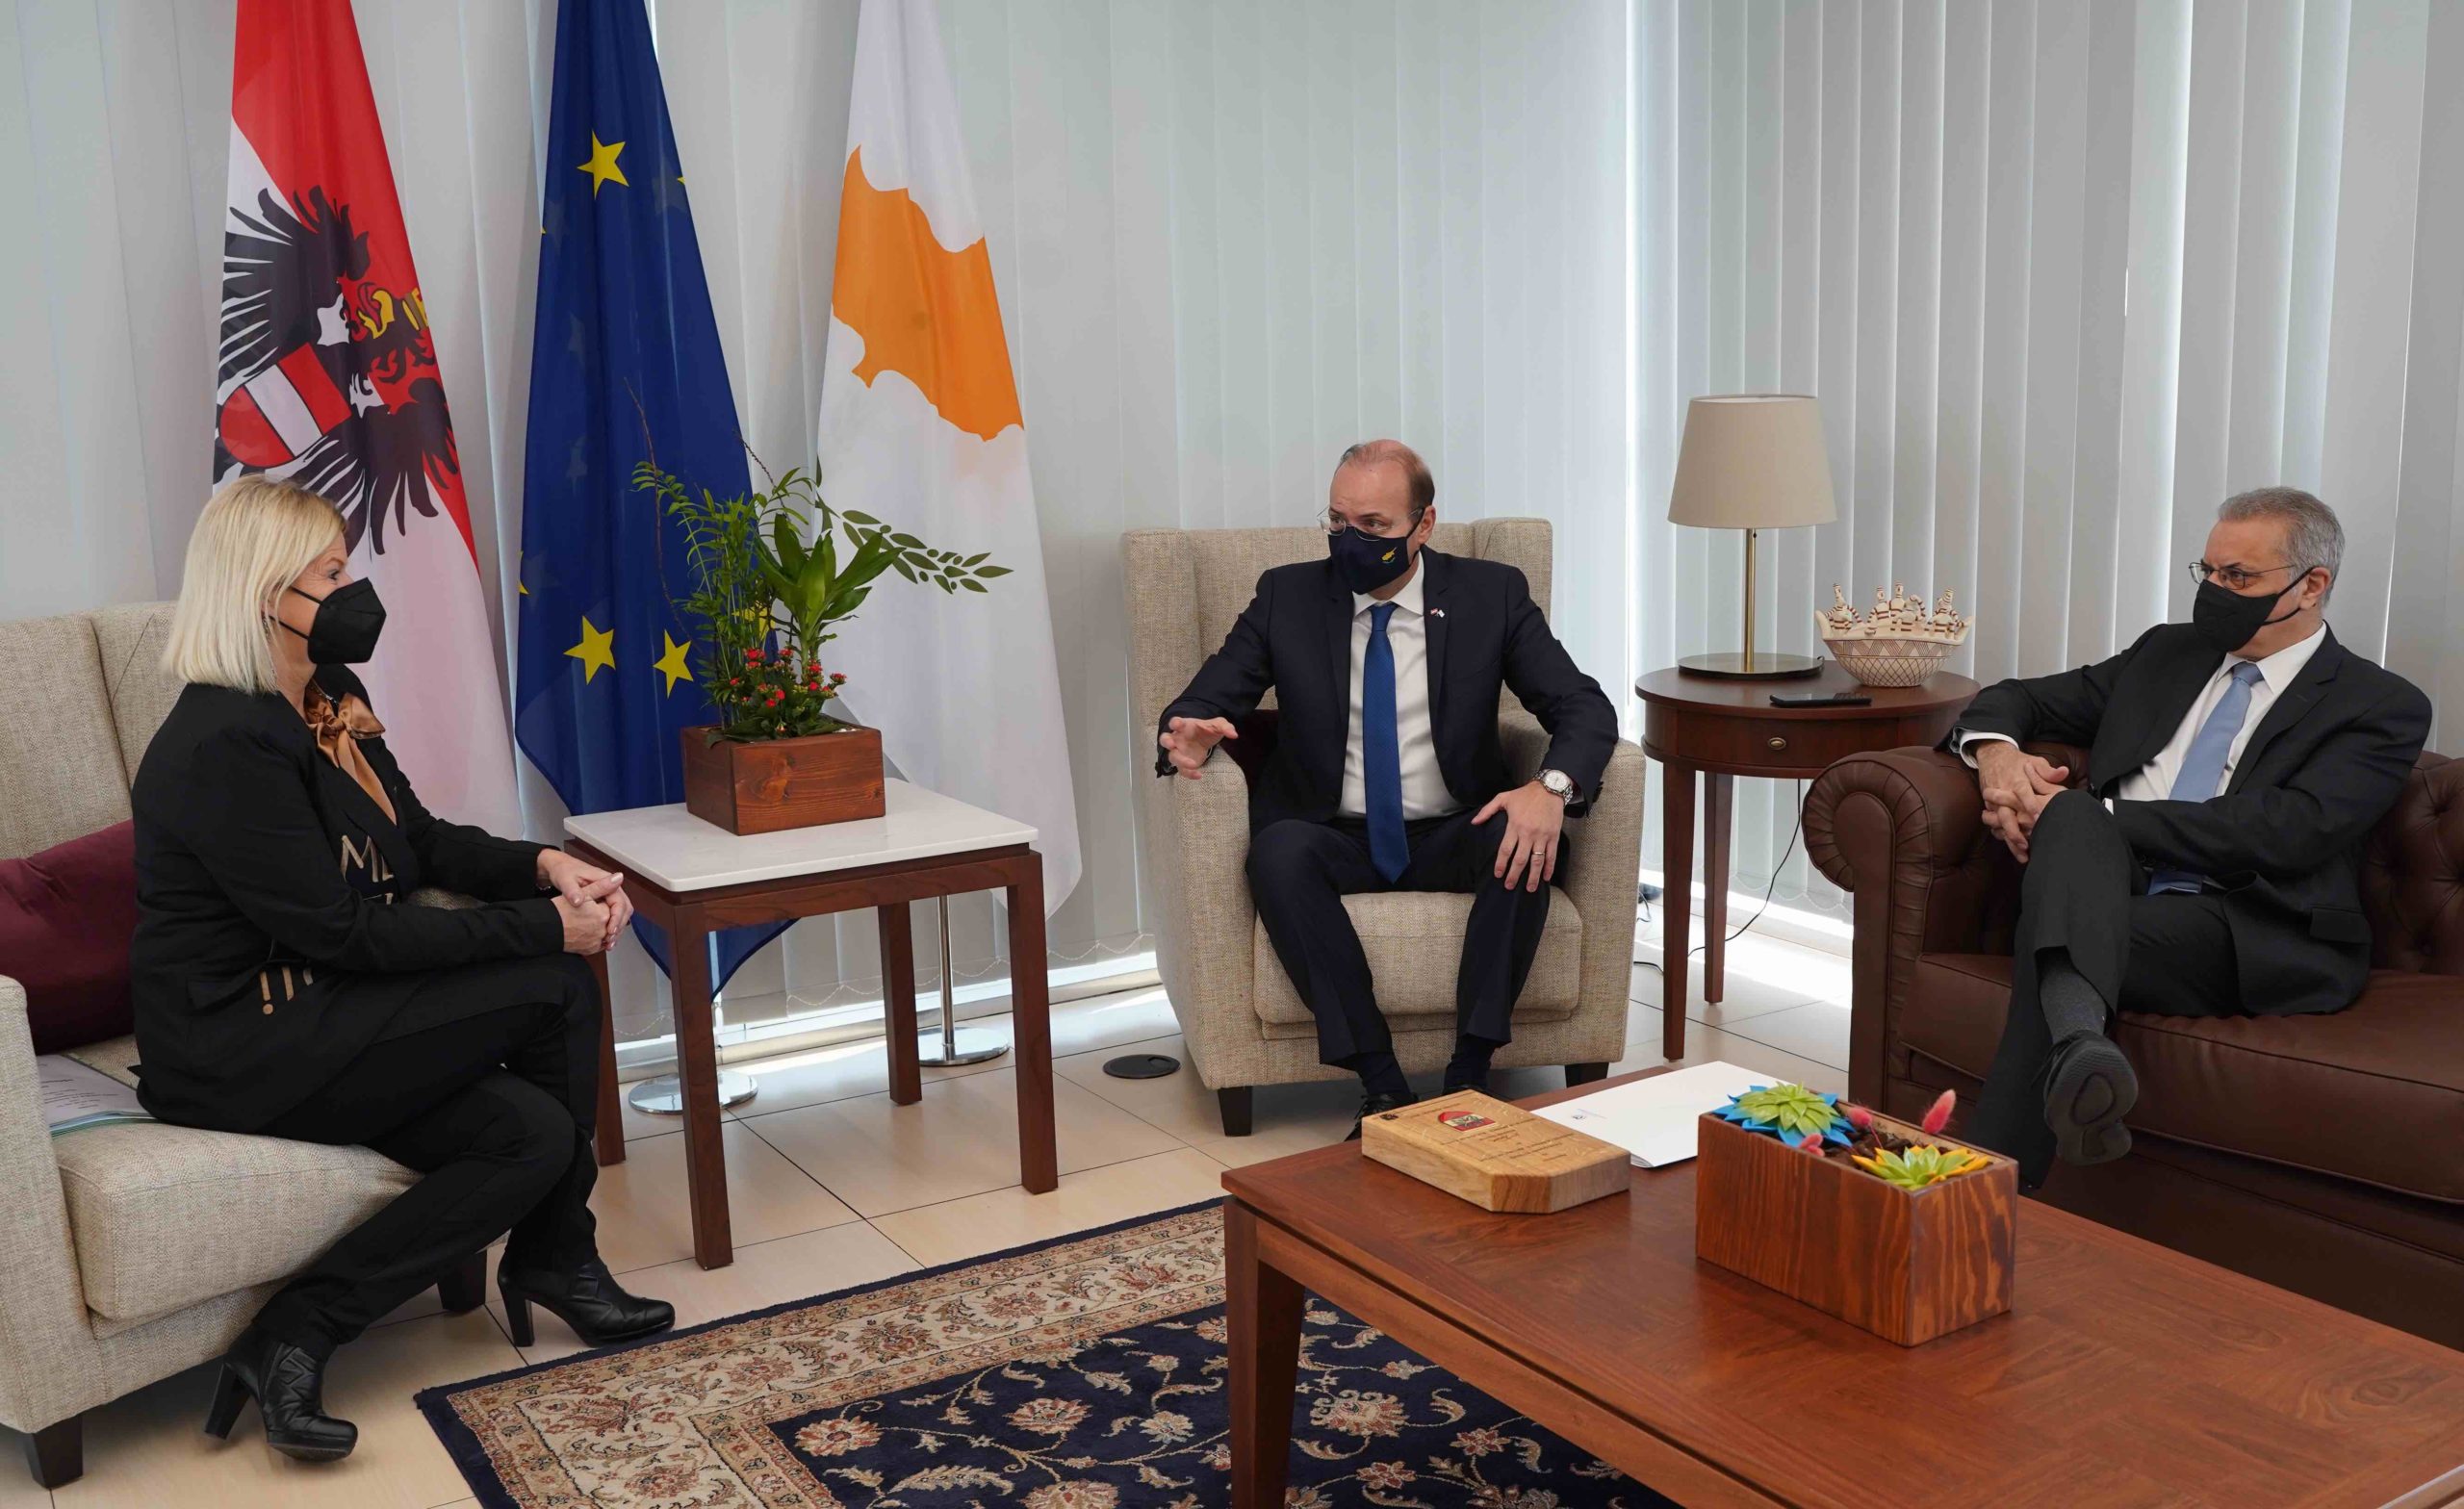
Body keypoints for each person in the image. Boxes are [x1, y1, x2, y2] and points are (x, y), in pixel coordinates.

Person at [131, 476, 673, 1464]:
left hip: (332, 1012)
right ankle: (559, 1256)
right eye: (333, 574)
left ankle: (293, 1331)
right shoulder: (222, 741)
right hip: (239, 1040)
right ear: (266, 591)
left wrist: (542, 866)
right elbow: (342, 933)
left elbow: (417, 842)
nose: (355, 591)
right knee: (553, 983)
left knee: (530, 1133)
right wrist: (543, 929)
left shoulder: (331, 696)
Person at [1952, 487, 2429, 1187]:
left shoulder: (2379, 705)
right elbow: (2016, 698)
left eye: (2238, 577)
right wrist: (1997, 757)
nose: (2214, 592)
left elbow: (2290, 830)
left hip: (2248, 924)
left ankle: (1980, 1180)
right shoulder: (2168, 654)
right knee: (2075, 835)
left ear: (2312, 586)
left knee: (2062, 888)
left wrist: (2095, 816)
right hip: (2109, 890)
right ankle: (2077, 1053)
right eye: (2207, 571)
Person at [1154, 441, 1618, 1140]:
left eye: (1373, 525)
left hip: (1453, 826)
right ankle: (1380, 1082)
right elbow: (1204, 697)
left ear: (1423, 525)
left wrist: (1550, 788)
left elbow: (1583, 706)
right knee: (1278, 854)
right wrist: (1186, 732)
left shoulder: (1490, 594)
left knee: (1521, 837)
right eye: (1338, 521)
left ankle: (1470, 1073)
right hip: (1332, 831)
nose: (1351, 540)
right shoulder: (1287, 595)